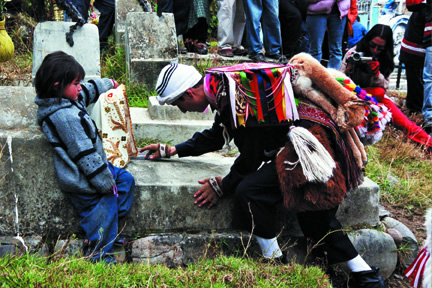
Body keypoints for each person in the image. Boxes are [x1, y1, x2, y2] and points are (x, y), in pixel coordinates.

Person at [140, 63, 385, 287]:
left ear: (189, 94)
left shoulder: (233, 94)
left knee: (253, 192)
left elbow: (251, 157)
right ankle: (364, 276)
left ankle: (275, 262)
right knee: (315, 219)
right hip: (308, 144)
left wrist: (222, 186)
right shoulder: (224, 89)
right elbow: (218, 134)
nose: (182, 111)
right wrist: (173, 150)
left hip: (313, 149)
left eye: (179, 104)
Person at [34, 51, 135, 264]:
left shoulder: (68, 98)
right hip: (81, 178)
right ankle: (99, 253)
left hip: (97, 168)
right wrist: (105, 184)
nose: (80, 86)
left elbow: (88, 90)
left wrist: (109, 83)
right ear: (57, 85)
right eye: (75, 83)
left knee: (126, 181)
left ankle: (110, 227)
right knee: (106, 203)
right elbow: (84, 155)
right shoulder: (65, 118)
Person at [340, 24, 432, 150]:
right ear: (367, 41)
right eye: (372, 45)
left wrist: (376, 74)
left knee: (404, 122)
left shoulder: (385, 58)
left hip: (376, 97)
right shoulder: (354, 53)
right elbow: (340, 80)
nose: (375, 50)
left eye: (380, 48)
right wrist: (350, 68)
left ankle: (428, 143)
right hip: (353, 95)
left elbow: (385, 87)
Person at [399, 4, 430, 114]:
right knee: (417, 83)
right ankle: (415, 110)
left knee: (415, 83)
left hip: (412, 49)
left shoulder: (421, 6)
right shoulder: (425, 8)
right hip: (416, 50)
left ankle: (414, 107)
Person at [306, 0, 350, 69]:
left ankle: (333, 77)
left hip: (339, 10)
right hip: (317, 10)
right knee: (315, 49)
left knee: (336, 49)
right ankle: (313, 75)